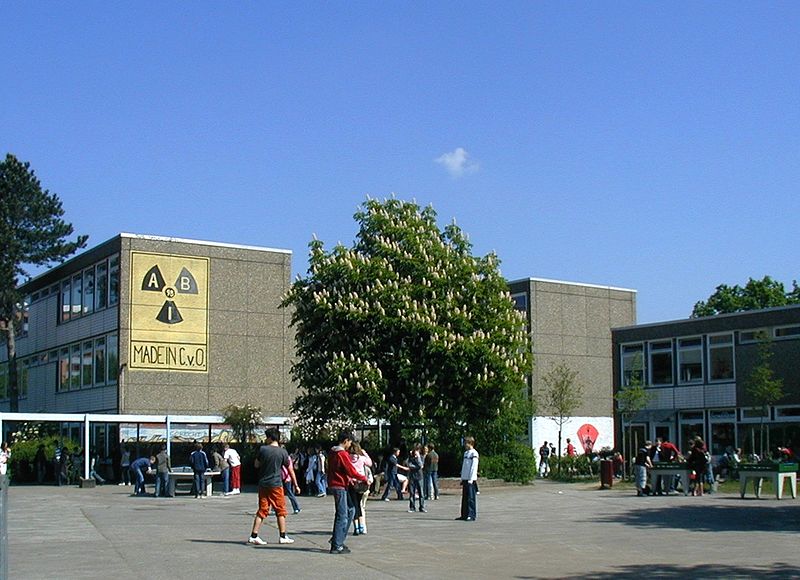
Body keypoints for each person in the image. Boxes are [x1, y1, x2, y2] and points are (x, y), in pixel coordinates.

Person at [248, 428, 299, 546]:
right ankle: (283, 535)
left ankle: (254, 535)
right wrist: (296, 484)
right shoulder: (283, 452)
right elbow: (290, 469)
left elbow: (256, 464)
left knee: (262, 509)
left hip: (263, 484)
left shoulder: (263, 450)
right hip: (276, 484)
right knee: (280, 510)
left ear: (270, 438)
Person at [327, 431, 368, 554]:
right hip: (339, 485)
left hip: (337, 484)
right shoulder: (341, 453)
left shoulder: (332, 452)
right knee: (342, 515)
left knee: (351, 510)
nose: (350, 445)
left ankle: (337, 539)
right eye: (349, 442)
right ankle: (337, 544)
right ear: (345, 441)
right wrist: (363, 478)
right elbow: (350, 470)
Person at [349, 441, 372, 535]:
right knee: (359, 505)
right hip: (362, 483)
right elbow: (370, 463)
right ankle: (362, 526)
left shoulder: (348, 458)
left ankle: (356, 527)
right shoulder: (361, 458)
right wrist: (364, 453)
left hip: (352, 483)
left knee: (353, 505)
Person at [457, 436, 479, 521]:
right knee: (465, 498)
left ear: (470, 443)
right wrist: (462, 477)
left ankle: (471, 514)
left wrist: (471, 478)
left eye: (466, 443)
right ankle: (464, 514)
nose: (464, 445)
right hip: (465, 478)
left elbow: (474, 467)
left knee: (471, 498)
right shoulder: (466, 453)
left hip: (471, 479)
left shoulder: (474, 453)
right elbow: (464, 466)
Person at [406, 444, 426, 513]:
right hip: (412, 476)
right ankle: (412, 507)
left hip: (419, 476)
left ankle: (422, 507)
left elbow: (421, 465)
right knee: (412, 492)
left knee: (421, 493)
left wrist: (418, 458)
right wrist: (415, 466)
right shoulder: (410, 457)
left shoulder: (421, 457)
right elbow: (409, 464)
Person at [281, 447, 302, 514]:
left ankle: (296, 507)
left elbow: (290, 470)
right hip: (281, 478)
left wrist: (296, 485)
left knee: (289, 493)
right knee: (280, 494)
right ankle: (275, 507)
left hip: (286, 478)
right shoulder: (283, 458)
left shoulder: (287, 459)